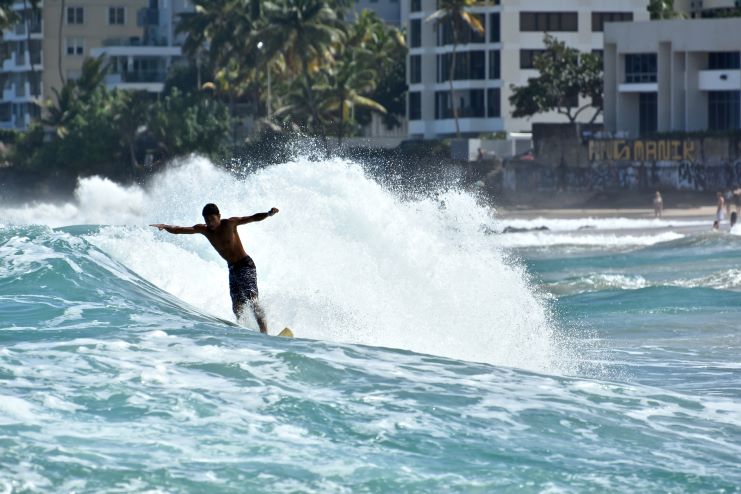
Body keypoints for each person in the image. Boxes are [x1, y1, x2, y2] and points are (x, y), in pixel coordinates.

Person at [151, 203, 279, 334]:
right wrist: (166, 226)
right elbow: (179, 229)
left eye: (212, 219)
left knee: (252, 299)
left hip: (245, 265)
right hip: (233, 269)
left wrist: (268, 214)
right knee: (237, 307)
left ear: (219, 216)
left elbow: (252, 217)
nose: (210, 223)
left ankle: (264, 332)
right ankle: (246, 330)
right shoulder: (204, 230)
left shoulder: (230, 223)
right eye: (207, 220)